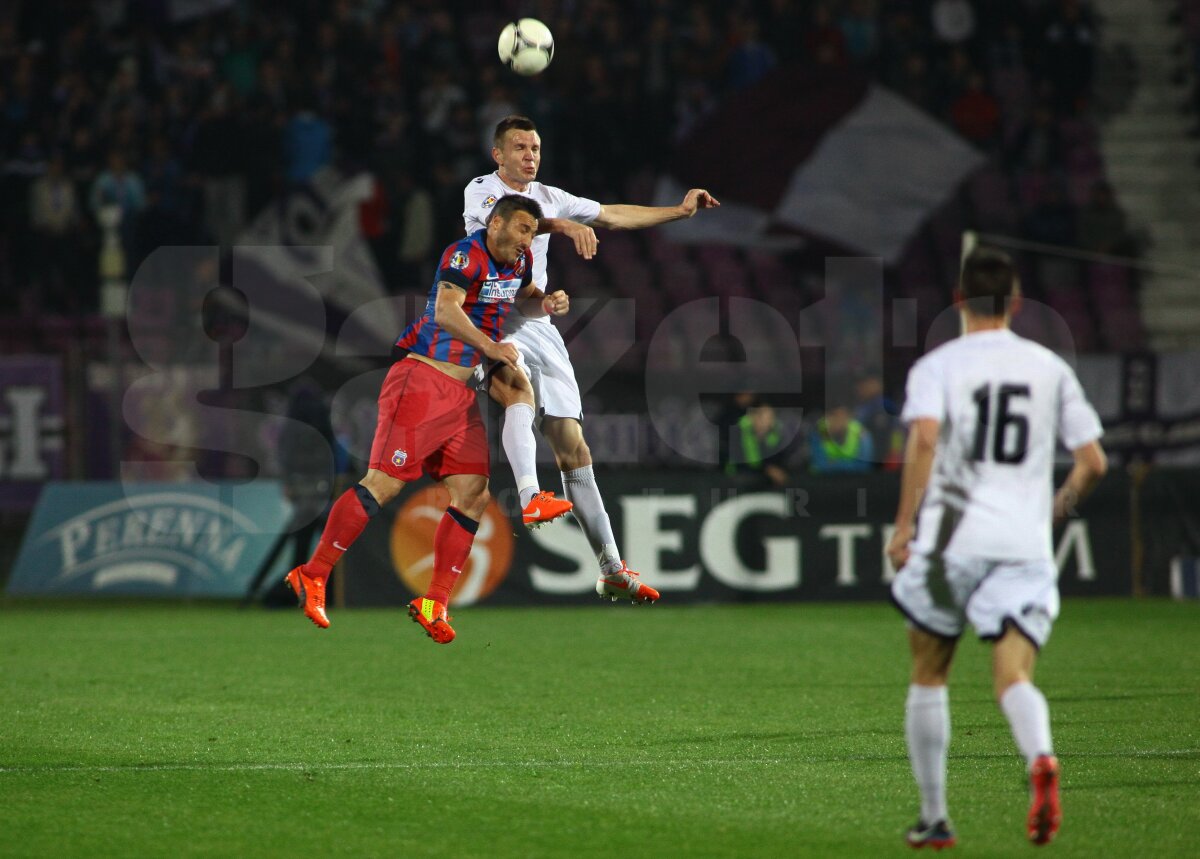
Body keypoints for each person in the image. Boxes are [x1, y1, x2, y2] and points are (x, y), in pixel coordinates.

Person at [885, 248, 1108, 848]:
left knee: (930, 670)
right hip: (1023, 543)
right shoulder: (1049, 367)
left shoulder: (940, 365)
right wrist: (1053, 510)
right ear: (1015, 303)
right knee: (1012, 675)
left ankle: (934, 817)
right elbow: (1093, 461)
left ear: (959, 301)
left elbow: (926, 437)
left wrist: (905, 524)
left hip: (951, 542)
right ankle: (1039, 755)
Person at [286, 194, 571, 643]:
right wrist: (492, 347)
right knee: (383, 483)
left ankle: (433, 601)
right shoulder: (465, 253)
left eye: (532, 234)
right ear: (495, 222)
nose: (526, 241)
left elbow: (527, 300)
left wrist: (546, 305)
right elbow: (444, 310)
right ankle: (313, 573)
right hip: (421, 382)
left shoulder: (517, 267)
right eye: (521, 229)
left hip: (460, 397)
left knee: (473, 494)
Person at [463, 115, 720, 604]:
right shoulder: (482, 192)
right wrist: (561, 226)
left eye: (535, 146)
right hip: (489, 317)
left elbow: (612, 215)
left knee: (575, 451)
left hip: (536, 321)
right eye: (519, 147)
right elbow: (506, 234)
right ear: (498, 155)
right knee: (517, 389)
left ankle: (612, 569)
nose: (529, 154)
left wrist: (680, 212)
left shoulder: (552, 194)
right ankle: (528, 495)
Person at [808, 402, 874, 473]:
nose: (838, 420)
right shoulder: (818, 432)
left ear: (849, 417)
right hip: (824, 481)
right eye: (834, 415)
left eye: (842, 416)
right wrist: (850, 463)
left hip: (854, 480)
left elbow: (863, 467)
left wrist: (834, 463)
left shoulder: (862, 434)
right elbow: (821, 465)